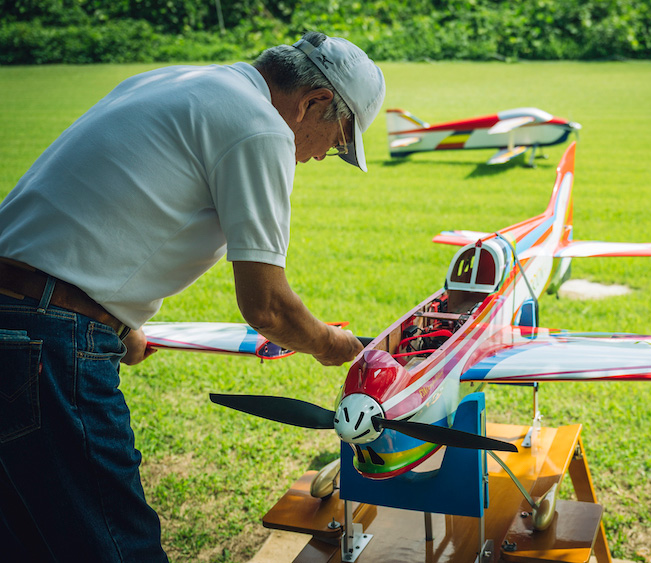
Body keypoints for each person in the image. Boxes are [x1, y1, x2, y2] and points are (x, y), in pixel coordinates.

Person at [0, 31, 385, 561]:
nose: (323, 156)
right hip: (48, 339)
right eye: (339, 140)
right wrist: (335, 345)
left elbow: (94, 210)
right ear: (314, 103)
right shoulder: (260, 126)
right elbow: (267, 306)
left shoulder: (176, 81)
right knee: (117, 544)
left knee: (28, 539)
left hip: (24, 318)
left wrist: (114, 324)